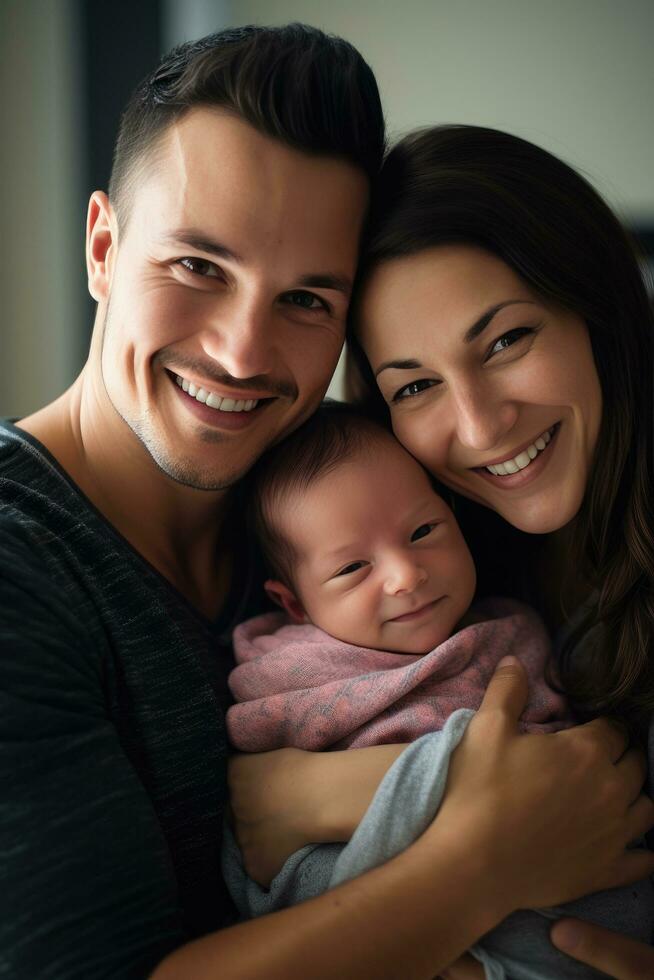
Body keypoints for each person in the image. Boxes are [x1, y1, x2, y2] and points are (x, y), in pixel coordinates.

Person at [0, 25, 650, 978]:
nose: (242, 353)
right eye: (198, 267)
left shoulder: (371, 507)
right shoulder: (22, 564)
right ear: (102, 246)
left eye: (307, 299)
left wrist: (314, 797)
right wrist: (480, 862)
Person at [344, 123, 654, 977]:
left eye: (507, 341)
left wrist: (301, 798)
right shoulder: (446, 582)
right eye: (415, 385)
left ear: (592, 306)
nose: (480, 426)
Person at [222, 403, 653, 980]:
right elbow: (268, 857)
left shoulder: (512, 629)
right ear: (295, 604)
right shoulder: (297, 678)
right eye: (352, 569)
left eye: (424, 531)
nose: (406, 573)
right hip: (404, 918)